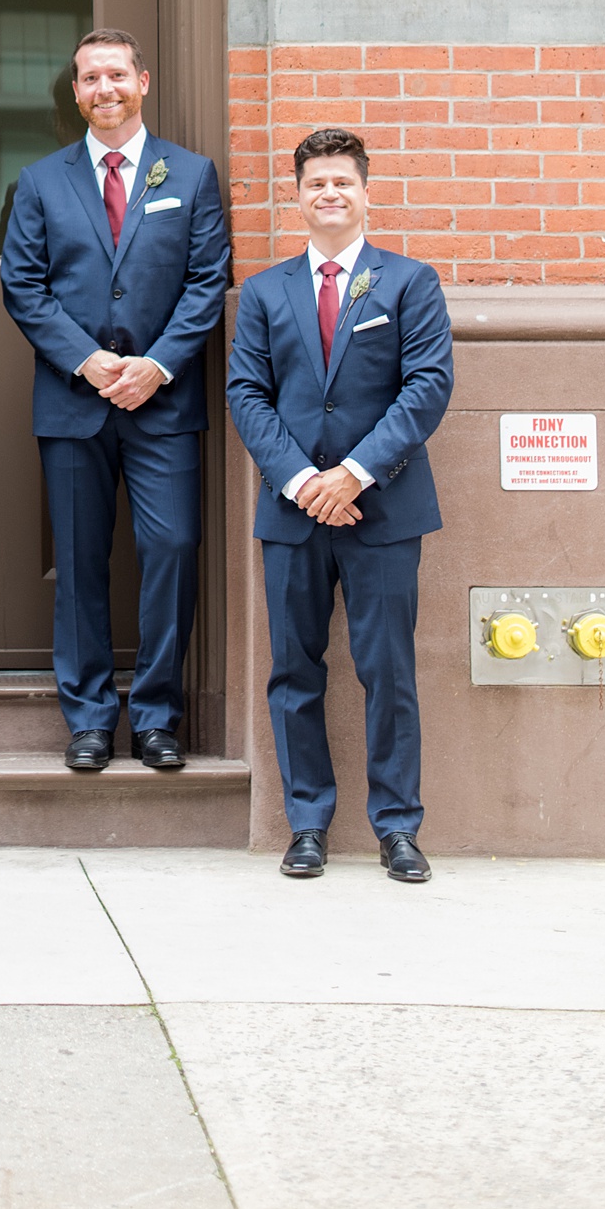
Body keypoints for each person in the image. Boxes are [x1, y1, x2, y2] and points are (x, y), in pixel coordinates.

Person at [226, 126, 454, 884]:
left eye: (342, 182)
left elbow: (425, 387)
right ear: (297, 198)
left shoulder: (409, 282)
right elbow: (248, 395)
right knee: (295, 670)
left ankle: (397, 825)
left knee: (388, 668)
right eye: (315, 183)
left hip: (383, 511)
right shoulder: (263, 292)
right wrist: (302, 482)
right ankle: (308, 823)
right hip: (292, 513)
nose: (330, 193)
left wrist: (354, 474)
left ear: (366, 192)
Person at [0, 29, 228, 774]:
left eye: (117, 74)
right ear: (75, 92)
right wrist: (91, 361)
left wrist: (156, 366)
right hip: (74, 402)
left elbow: (206, 281)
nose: (105, 88)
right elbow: (22, 287)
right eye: (90, 77)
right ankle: (91, 716)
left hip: (164, 404)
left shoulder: (190, 176)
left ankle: (158, 713)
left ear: (143, 81)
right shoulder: (40, 181)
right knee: (80, 560)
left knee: (171, 549)